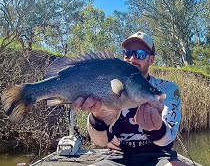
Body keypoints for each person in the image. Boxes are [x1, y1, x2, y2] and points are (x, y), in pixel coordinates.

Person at [72, 31, 185, 166]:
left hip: (160, 156)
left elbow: (166, 140)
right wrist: (98, 116)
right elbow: (100, 142)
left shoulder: (166, 89)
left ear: (151, 59)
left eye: (140, 54)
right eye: (128, 53)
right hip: (117, 156)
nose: (132, 59)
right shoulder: (109, 86)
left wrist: (156, 129)